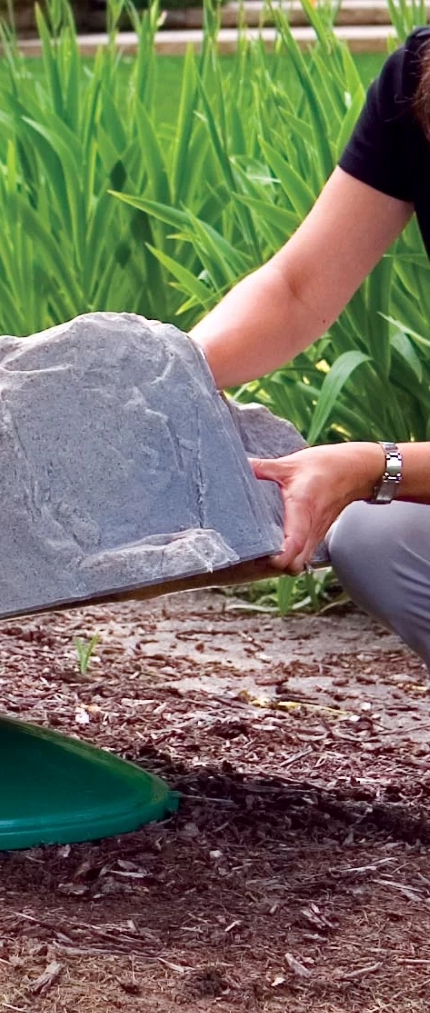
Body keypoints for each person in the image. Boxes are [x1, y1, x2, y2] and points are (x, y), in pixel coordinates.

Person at [188, 28, 430, 668]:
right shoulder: (421, 78)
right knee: (384, 539)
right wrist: (168, 379)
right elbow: (296, 290)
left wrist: (376, 466)